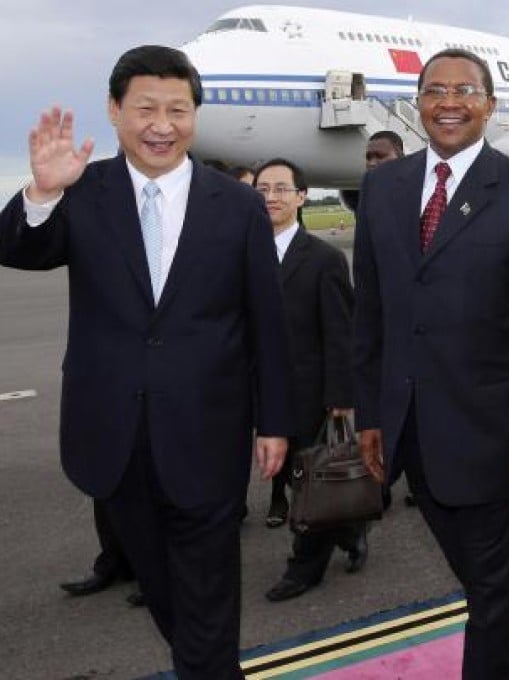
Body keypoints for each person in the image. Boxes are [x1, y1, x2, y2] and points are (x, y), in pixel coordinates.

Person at [0, 45, 292, 677]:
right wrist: (42, 193)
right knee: (163, 589)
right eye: (146, 109)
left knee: (208, 593)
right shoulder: (83, 190)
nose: (163, 125)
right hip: (113, 433)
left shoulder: (237, 204)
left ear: (195, 116)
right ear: (115, 110)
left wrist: (274, 421)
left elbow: (267, 322)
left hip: (209, 431)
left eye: (178, 110)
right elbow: (20, 250)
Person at [353, 48, 509, 679]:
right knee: (491, 584)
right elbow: (370, 312)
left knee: (491, 606)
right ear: (417, 102)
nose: (448, 102)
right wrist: (370, 413)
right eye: (435, 90)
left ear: (490, 105)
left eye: (464, 91)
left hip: (499, 439)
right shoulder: (382, 189)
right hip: (412, 433)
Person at [255, 158, 369, 602]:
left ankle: (304, 568)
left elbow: (341, 332)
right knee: (289, 477)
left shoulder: (324, 259)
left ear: (301, 197)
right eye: (262, 189)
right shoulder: (241, 256)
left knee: (308, 479)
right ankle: (350, 526)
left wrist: (341, 396)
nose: (271, 197)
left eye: (281, 189)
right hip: (258, 391)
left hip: (307, 391)